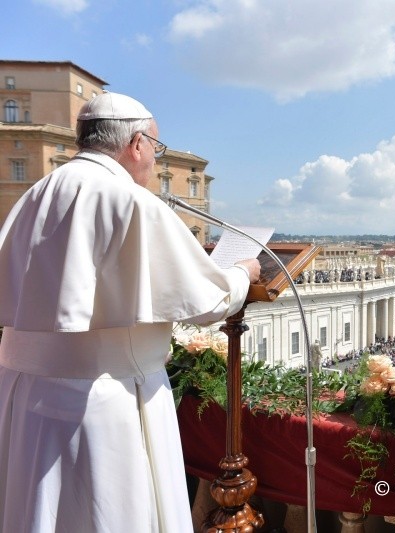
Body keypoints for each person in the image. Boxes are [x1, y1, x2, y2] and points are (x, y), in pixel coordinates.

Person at [0, 91, 261, 532]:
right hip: (103, 403)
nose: (154, 162)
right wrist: (242, 271)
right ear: (136, 143)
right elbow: (209, 302)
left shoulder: (34, 195)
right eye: (156, 150)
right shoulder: (132, 200)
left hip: (22, 396)